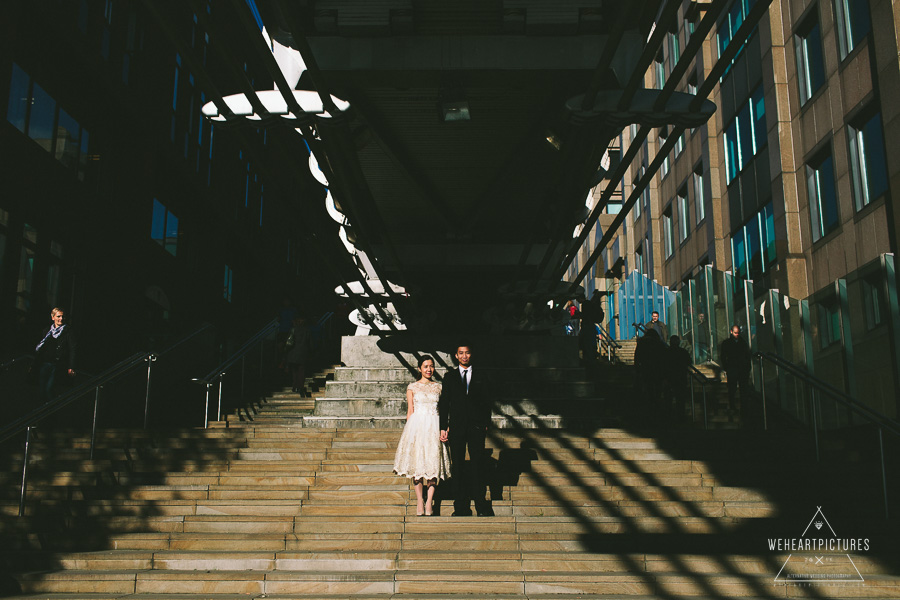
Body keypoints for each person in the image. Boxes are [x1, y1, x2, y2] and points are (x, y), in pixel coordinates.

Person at [393, 356, 451, 516]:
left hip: (434, 426)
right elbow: (410, 411)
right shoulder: (412, 387)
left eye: (431, 366)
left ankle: (429, 501)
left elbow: (443, 410)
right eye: (425, 366)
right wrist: (409, 434)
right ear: (419, 368)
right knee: (417, 466)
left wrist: (444, 427)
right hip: (417, 427)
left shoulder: (438, 387)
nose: (429, 369)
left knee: (432, 465)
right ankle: (420, 500)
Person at [439, 343, 493, 516]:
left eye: (467, 353)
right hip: (457, 427)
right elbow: (444, 404)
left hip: (476, 427)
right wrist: (443, 427)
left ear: (471, 354)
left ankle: (480, 505)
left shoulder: (481, 375)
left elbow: (487, 401)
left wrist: (485, 423)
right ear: (456, 356)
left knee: (478, 465)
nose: (464, 356)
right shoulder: (450, 377)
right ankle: (461, 506)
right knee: (458, 466)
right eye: (461, 353)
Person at [34, 307, 76, 403]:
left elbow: (73, 349)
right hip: (45, 364)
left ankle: (51, 413)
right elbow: (41, 348)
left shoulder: (68, 331)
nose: (61, 318)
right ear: (53, 317)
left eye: (63, 316)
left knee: (49, 389)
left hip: (57, 365)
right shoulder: (47, 331)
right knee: (41, 390)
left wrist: (71, 366)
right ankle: (42, 412)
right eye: (58, 316)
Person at [719, 325, 751, 414]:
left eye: (738, 333)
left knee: (742, 389)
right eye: (735, 333)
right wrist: (726, 367)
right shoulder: (729, 343)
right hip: (733, 368)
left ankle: (742, 407)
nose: (737, 335)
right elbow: (723, 356)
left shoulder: (742, 342)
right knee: (732, 388)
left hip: (740, 368)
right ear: (731, 332)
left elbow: (747, 356)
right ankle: (733, 405)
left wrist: (747, 367)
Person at [664, 335, 692, 422]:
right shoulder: (682, 352)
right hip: (681, 378)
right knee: (680, 399)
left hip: (670, 378)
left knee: (668, 399)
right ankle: (681, 416)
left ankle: (668, 417)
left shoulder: (667, 352)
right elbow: (689, 362)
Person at [284, 315, 311, 395]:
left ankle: (294, 386)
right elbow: (310, 343)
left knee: (294, 371)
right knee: (301, 371)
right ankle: (300, 387)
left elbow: (289, 342)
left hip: (293, 353)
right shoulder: (307, 330)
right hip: (303, 353)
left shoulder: (293, 330)